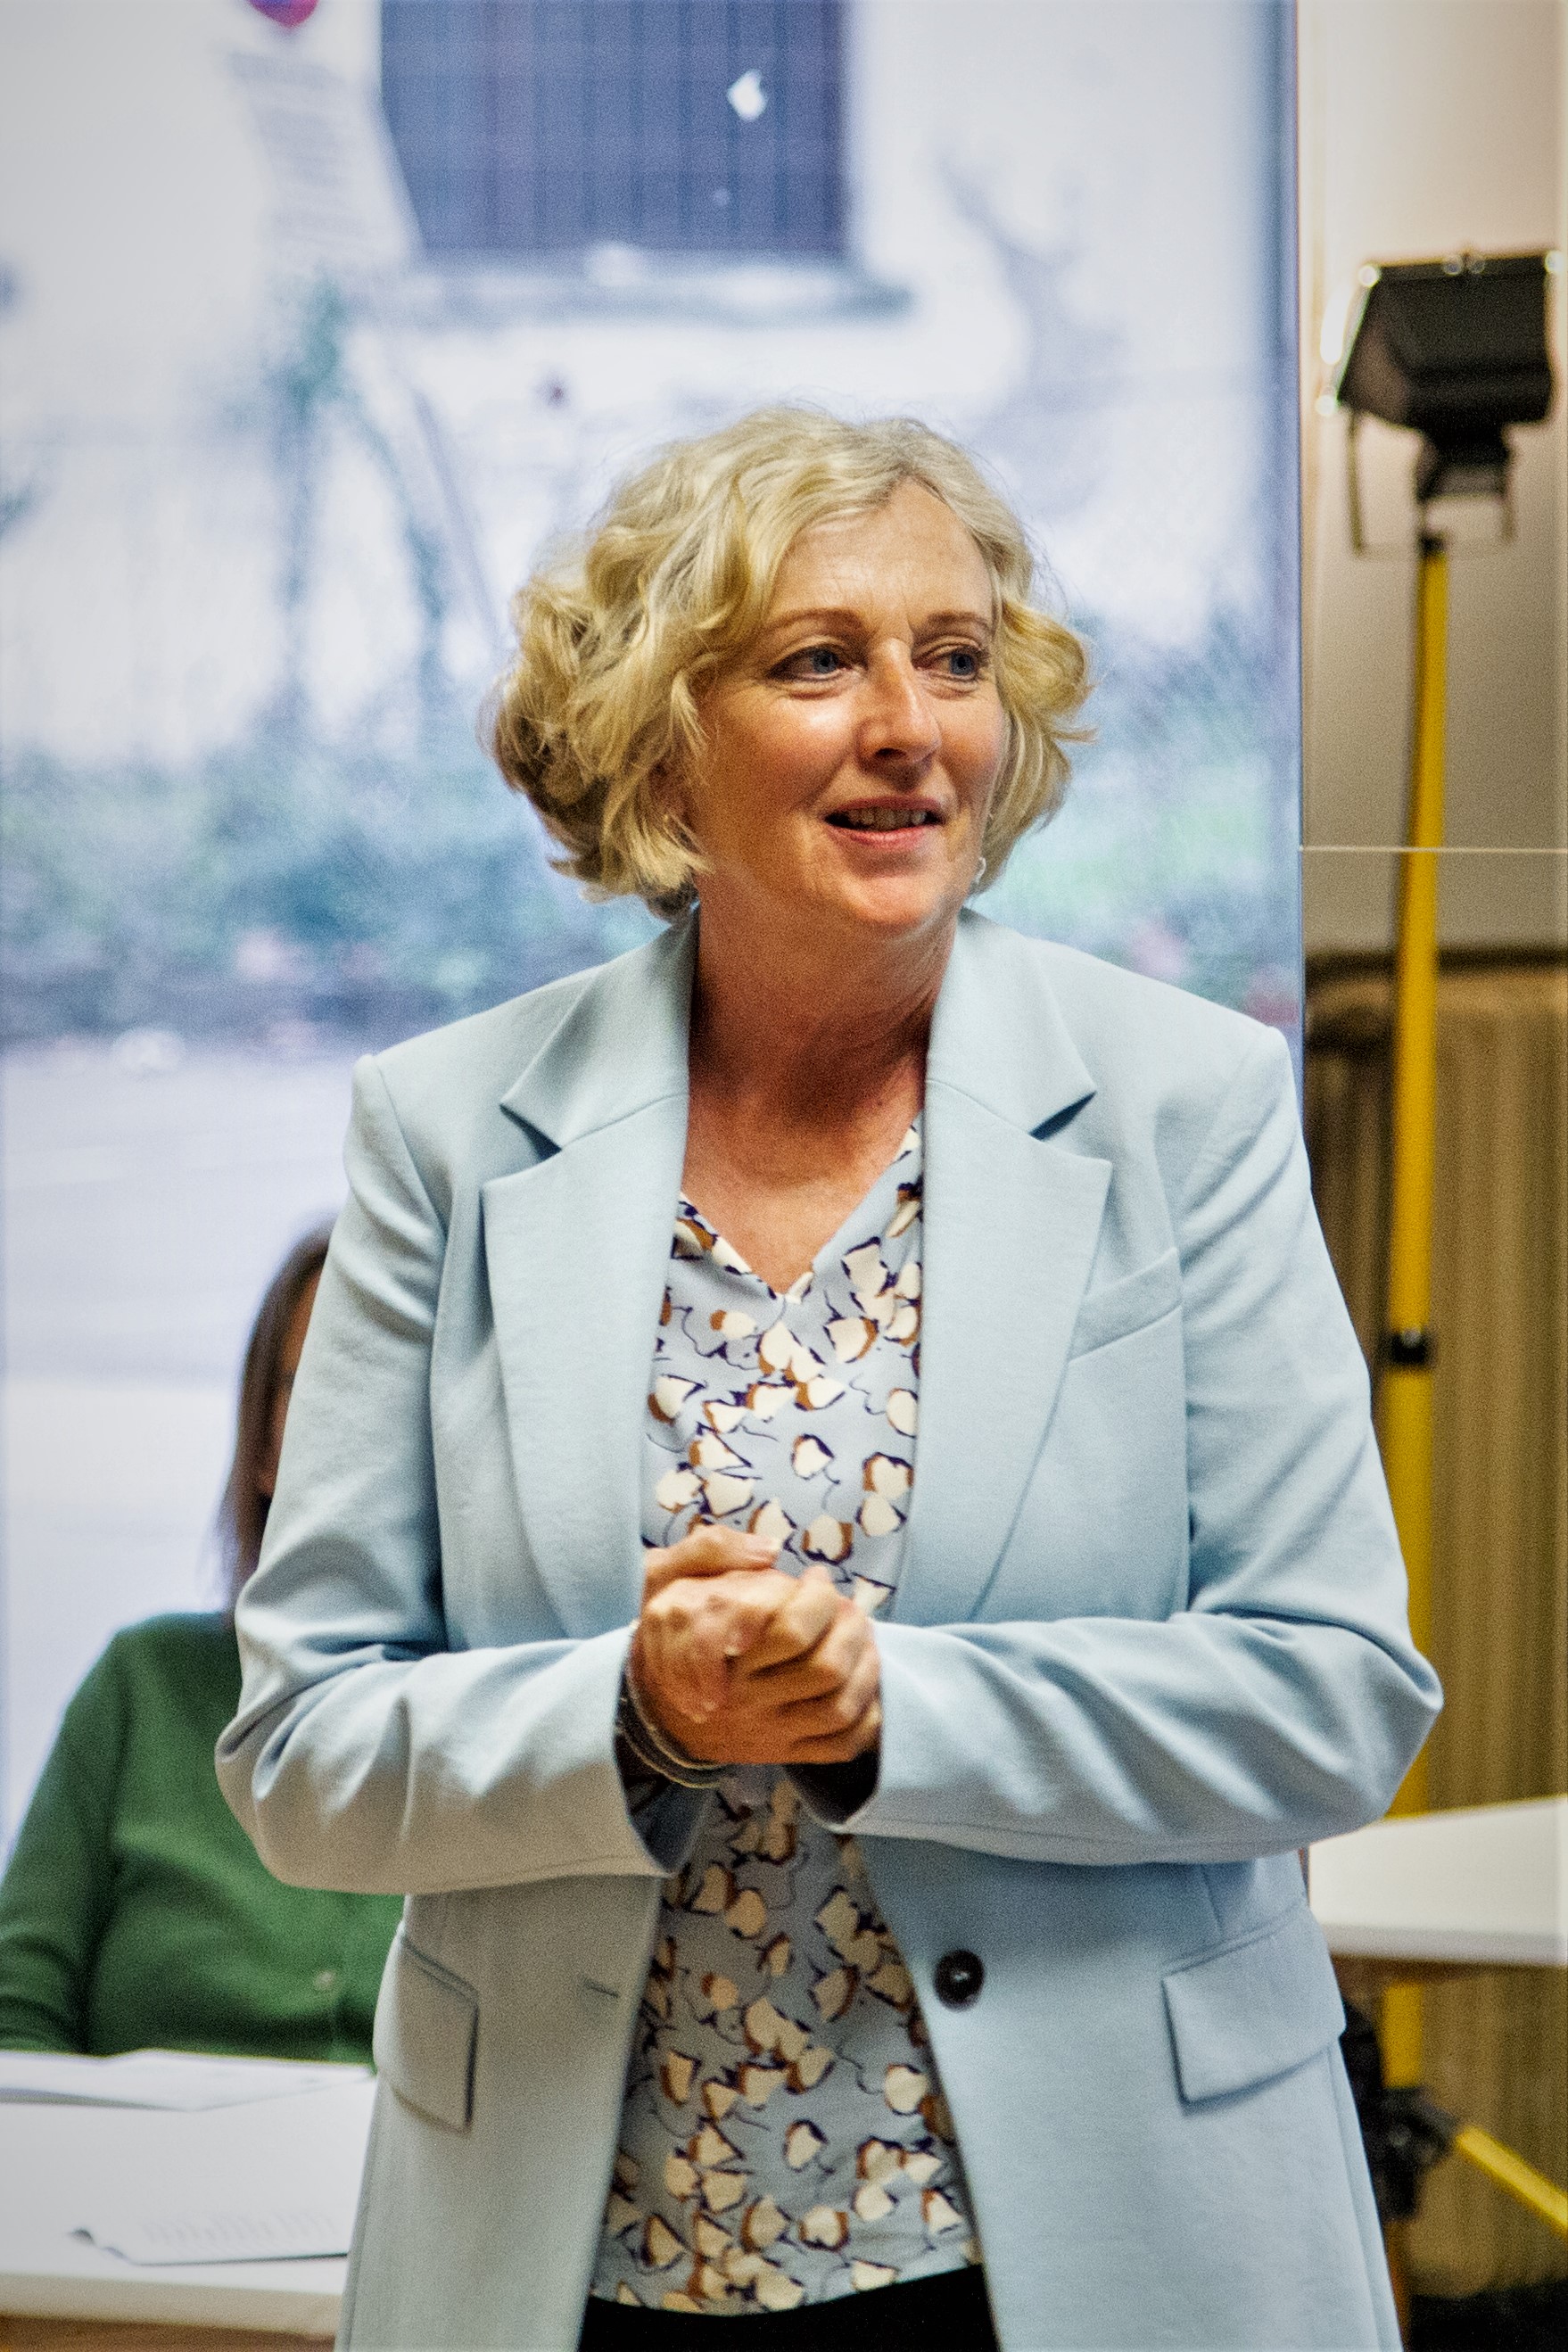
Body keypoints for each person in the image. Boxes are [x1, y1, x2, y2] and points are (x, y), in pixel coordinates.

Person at [218, 409, 1440, 2352]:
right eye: (817, 661)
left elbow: (1335, 1694)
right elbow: (302, 1751)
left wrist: (894, 1711)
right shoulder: (447, 1131)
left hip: (1099, 2252)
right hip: (578, 2268)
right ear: (656, 741)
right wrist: (633, 1714)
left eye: (953, 657)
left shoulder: (1182, 1103)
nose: (909, 725)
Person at [0, 1228, 402, 2061]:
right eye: (326, 1384)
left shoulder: (519, 1724)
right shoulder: (140, 1684)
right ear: (263, 1446)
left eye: (401, 1389)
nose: (364, 1428)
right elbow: (15, 2009)